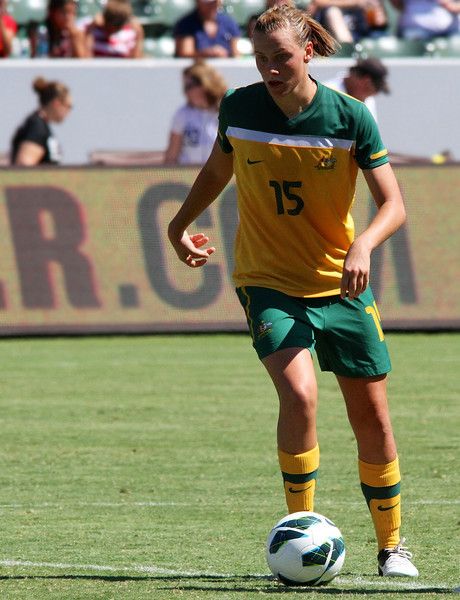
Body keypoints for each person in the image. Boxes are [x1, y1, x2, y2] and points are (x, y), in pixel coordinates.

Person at [168, 5, 419, 578]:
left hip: (340, 284)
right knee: (300, 396)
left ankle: (391, 547)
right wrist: (178, 225)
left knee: (373, 419)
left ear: (308, 51)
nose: (270, 68)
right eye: (260, 59)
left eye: (280, 56)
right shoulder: (239, 107)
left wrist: (364, 246)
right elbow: (216, 169)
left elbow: (394, 206)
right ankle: (300, 532)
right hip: (268, 282)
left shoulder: (350, 117)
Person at [164, 61, 227, 166]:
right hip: (188, 178)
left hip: (218, 177)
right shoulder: (182, 114)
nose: (185, 92)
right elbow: (171, 157)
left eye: (189, 86)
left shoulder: (225, 111)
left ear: (205, 83)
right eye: (185, 87)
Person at [10, 77, 72, 165]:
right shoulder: (37, 126)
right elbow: (24, 165)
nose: (69, 112)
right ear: (56, 104)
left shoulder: (41, 124)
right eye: (69, 106)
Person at [324, 57, 390, 122]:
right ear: (366, 82)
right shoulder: (326, 95)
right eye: (376, 89)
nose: (376, 94)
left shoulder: (369, 101)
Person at [173, 0, 240, 58]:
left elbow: (236, 54)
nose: (211, 5)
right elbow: (185, 53)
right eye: (207, 3)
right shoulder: (185, 24)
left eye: (214, 2)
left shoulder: (229, 23)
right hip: (198, 70)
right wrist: (207, 54)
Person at [389, 0, 460, 40]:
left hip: (451, 30)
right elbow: (396, 3)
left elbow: (456, 7)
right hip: (415, 32)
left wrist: (449, 4)